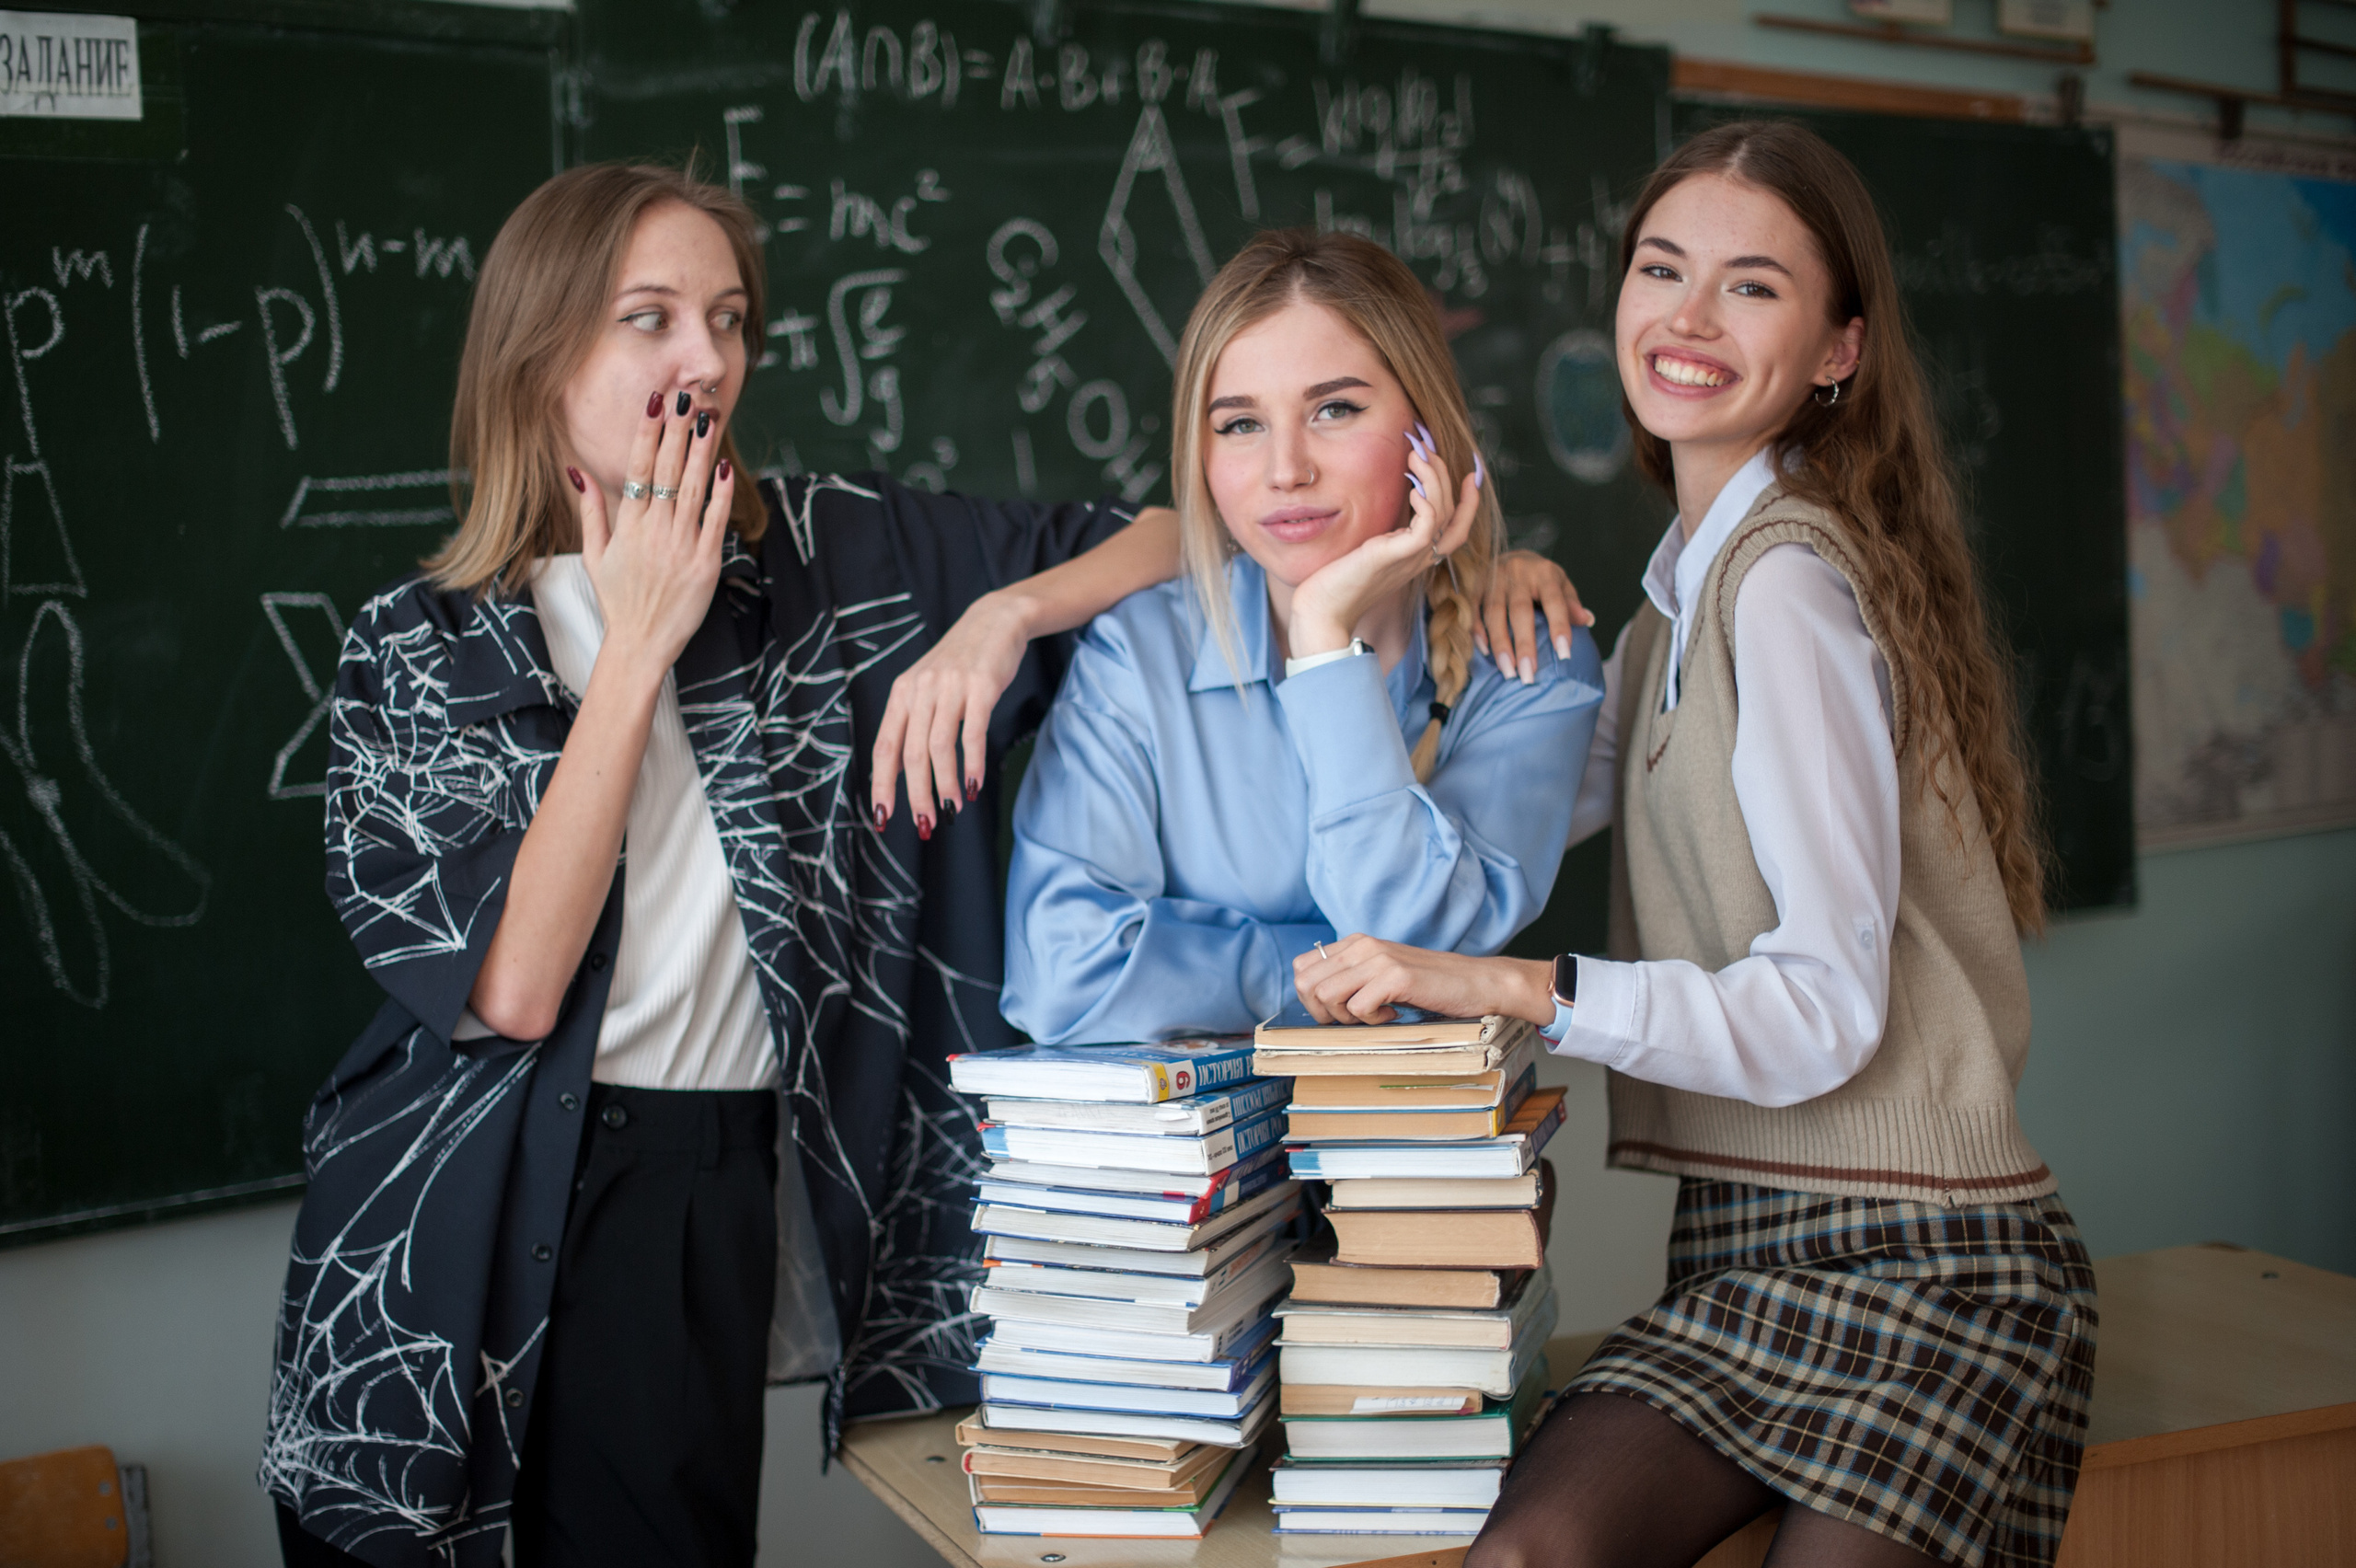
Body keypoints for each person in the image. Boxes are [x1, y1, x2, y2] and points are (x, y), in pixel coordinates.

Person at [258, 165, 1577, 1568]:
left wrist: (1001, 617)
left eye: (730, 319)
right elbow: (512, 988)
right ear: (539, 349)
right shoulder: (420, 649)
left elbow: (1165, 537)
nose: (706, 359)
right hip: (437, 1213)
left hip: (702, 1187)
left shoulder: (837, 557)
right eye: (651, 318)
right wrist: (637, 642)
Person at [1292, 121, 2096, 1568]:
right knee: (1529, 1553)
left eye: (1752, 286)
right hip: (1739, 1263)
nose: (1687, 317)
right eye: (1662, 268)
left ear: (1839, 348)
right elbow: (1470, 870)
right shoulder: (1671, 611)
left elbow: (1825, 1013)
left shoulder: (1784, 587)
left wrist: (1524, 991)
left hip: (1933, 1267)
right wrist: (1387, 604)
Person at [1001, 229, 1602, 1044]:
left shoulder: (1529, 658)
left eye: (1334, 409)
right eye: (1241, 424)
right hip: (1184, 1167)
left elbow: (1419, 932)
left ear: (1427, 427)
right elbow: (1061, 980)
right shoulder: (1138, 654)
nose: (1286, 468)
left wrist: (1324, 644)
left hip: (1419, 1163)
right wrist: (1329, 975)